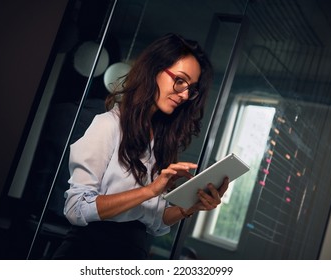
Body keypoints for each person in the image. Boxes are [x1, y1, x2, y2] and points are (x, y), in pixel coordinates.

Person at [52, 33, 229, 260]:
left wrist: (191, 207)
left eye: (191, 89)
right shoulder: (108, 125)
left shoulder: (161, 142)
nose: (185, 94)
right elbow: (76, 208)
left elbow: (155, 222)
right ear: (154, 70)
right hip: (89, 252)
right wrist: (149, 191)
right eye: (180, 80)